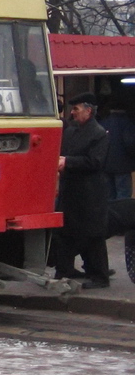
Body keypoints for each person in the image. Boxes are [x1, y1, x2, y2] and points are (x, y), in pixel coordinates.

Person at [55, 92, 111, 288]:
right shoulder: (71, 131)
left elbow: (95, 162)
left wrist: (67, 162)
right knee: (65, 232)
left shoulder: (98, 133)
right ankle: (64, 269)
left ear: (88, 111)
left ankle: (99, 275)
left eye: (77, 109)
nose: (73, 113)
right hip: (70, 190)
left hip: (89, 194)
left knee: (92, 234)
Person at [98, 102, 135, 200]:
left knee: (110, 196)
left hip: (106, 165)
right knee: (123, 196)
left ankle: (111, 215)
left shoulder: (102, 123)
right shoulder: (127, 123)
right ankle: (122, 215)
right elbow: (130, 143)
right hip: (123, 165)